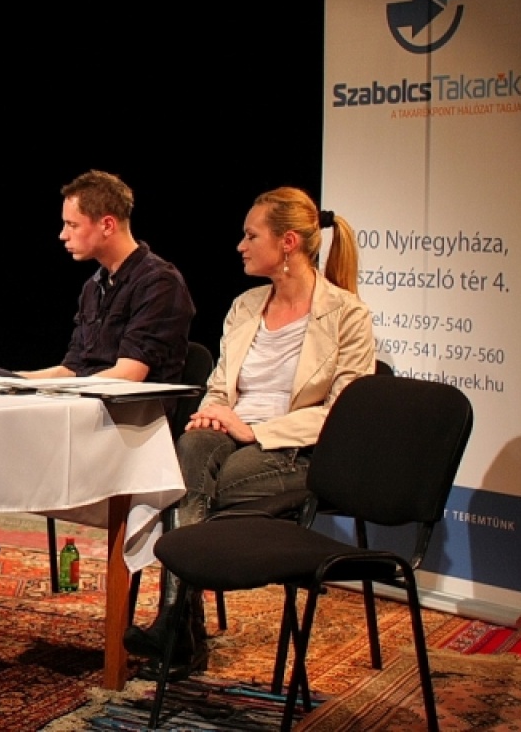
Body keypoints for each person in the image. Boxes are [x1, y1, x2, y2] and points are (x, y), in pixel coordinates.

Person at [123, 186, 375, 681]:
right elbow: (220, 386)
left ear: (287, 242)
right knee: (190, 447)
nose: (240, 245)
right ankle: (179, 627)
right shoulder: (245, 306)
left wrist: (257, 429)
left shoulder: (347, 315)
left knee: (193, 486)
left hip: (296, 449)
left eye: (251, 235)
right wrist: (210, 414)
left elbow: (344, 413)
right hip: (228, 438)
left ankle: (177, 628)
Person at [16, 169, 196, 388]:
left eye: (72, 225)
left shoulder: (159, 283)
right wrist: (7, 379)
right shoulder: (93, 287)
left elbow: (129, 374)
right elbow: (71, 369)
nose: (63, 235)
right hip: (86, 400)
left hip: (131, 407)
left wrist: (64, 392)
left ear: (107, 225)